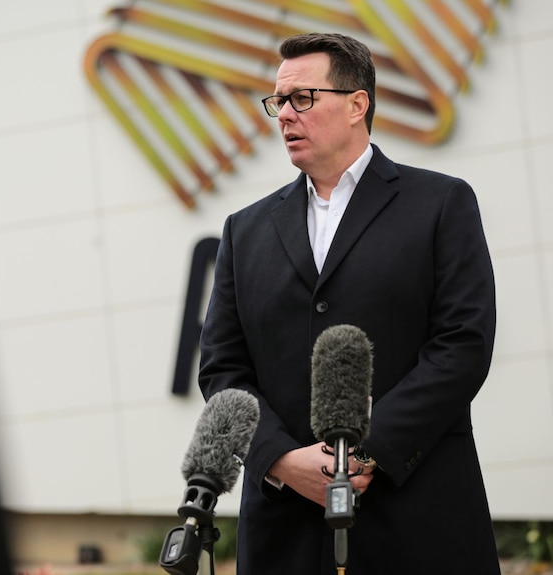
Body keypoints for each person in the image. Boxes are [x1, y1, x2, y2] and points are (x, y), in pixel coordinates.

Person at [198, 33, 499, 574]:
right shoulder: (245, 232)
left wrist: (364, 452)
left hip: (416, 518)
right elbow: (223, 369)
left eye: (302, 99)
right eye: (278, 102)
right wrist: (283, 462)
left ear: (358, 103)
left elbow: (462, 345)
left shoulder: (441, 203)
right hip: (284, 531)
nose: (285, 115)